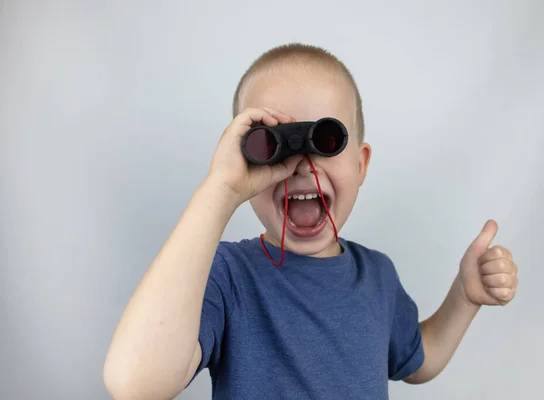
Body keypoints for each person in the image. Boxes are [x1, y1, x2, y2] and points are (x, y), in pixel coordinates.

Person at [103, 43, 519, 400]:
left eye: (326, 140)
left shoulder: (377, 275)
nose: (302, 164)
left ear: (361, 164)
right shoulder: (228, 276)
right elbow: (137, 382)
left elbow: (418, 360)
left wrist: (464, 299)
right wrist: (220, 189)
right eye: (273, 143)